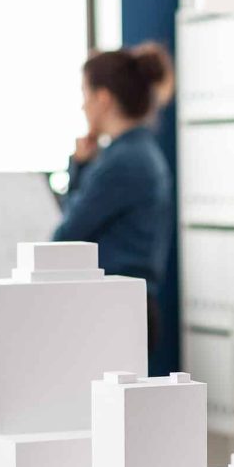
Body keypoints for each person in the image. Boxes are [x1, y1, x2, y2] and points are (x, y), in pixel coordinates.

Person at [53, 43, 176, 350]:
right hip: (131, 306)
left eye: (85, 94)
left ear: (103, 98)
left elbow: (66, 234)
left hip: (115, 310)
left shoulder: (121, 162)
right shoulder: (140, 152)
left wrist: (78, 166)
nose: (82, 106)